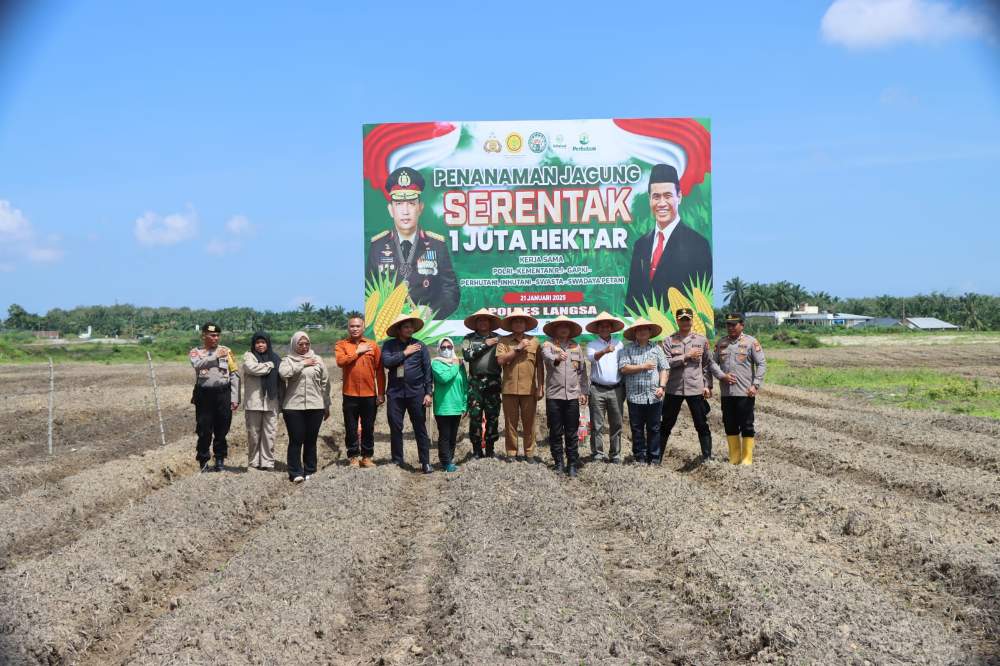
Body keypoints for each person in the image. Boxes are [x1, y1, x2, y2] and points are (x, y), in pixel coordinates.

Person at [366, 166, 460, 318]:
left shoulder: (437, 245)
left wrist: (432, 311)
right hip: (390, 327)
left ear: (420, 208)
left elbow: (451, 292)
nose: (405, 211)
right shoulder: (377, 246)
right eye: (399, 204)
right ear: (390, 210)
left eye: (411, 203)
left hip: (426, 327)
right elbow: (368, 291)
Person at [625, 164, 712, 314]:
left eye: (668, 196)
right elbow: (632, 301)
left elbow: (704, 297)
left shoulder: (698, 244)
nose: (661, 203)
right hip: (644, 333)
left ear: (679, 197)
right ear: (649, 199)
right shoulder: (640, 245)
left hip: (680, 331)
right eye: (656, 197)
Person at [661, 308, 725, 463]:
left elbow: (706, 364)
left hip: (695, 388)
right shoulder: (668, 341)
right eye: (682, 319)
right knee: (666, 424)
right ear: (677, 320)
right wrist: (686, 356)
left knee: (701, 423)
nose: (685, 322)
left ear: (691, 320)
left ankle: (707, 457)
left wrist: (707, 385)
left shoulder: (701, 341)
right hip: (674, 389)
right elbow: (665, 363)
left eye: (687, 319)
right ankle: (656, 457)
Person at [380, 312, 434, 474]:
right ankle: (397, 460)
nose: (409, 329)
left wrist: (428, 393)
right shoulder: (389, 346)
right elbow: (387, 362)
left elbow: (427, 371)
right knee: (395, 426)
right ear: (399, 329)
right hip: (395, 393)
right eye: (406, 327)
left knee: (420, 427)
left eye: (411, 327)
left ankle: (425, 462)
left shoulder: (420, 346)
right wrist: (405, 353)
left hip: (416, 393)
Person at [714, 313, 767, 466]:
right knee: (729, 423)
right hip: (726, 393)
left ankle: (747, 458)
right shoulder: (721, 343)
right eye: (728, 325)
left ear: (742, 325)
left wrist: (755, 385)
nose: (730, 327)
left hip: (745, 392)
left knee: (747, 424)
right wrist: (722, 376)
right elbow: (712, 364)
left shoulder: (751, 342)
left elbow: (762, 364)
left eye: (734, 324)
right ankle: (734, 457)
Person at [279, 331, 331, 483]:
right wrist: (302, 364)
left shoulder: (318, 359)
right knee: (296, 439)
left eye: (306, 344)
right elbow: (283, 374)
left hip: (315, 405)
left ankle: (310, 470)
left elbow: (325, 383)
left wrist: (326, 404)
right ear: (294, 345)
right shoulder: (288, 360)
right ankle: (295, 472)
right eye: (300, 344)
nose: (304, 347)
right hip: (293, 406)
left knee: (311, 440)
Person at [540, 316, 589, 478]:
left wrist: (583, 391)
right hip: (554, 395)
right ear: (554, 329)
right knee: (555, 431)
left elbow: (582, 372)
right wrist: (557, 357)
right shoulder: (548, 345)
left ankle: (572, 464)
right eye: (560, 326)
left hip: (573, 396)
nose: (563, 329)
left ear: (570, 330)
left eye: (566, 327)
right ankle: (558, 463)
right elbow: (546, 357)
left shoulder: (576, 347)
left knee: (572, 432)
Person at [335, 315, 385, 468]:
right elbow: (340, 362)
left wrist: (381, 392)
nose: (355, 329)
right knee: (350, 427)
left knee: (368, 427)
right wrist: (357, 351)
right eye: (352, 326)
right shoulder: (341, 345)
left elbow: (380, 371)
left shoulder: (373, 345)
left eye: (358, 326)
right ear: (348, 328)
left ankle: (367, 456)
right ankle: (353, 456)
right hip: (350, 394)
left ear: (363, 328)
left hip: (369, 394)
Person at [189, 323, 240, 472]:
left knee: (222, 428)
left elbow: (234, 374)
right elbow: (197, 365)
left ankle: (219, 459)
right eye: (212, 335)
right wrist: (214, 357)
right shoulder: (196, 352)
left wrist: (235, 397)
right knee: (204, 430)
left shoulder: (226, 351)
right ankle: (203, 460)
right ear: (204, 335)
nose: (215, 338)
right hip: (204, 395)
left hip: (223, 394)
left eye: (217, 335)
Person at [618, 318, 669, 464]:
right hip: (634, 397)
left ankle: (654, 457)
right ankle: (639, 456)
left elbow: (664, 368)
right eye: (639, 329)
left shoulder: (656, 349)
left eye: (645, 329)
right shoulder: (627, 349)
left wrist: (662, 386)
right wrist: (643, 366)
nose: (642, 332)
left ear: (650, 332)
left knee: (654, 428)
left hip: (654, 395)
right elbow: (624, 368)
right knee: (637, 428)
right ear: (635, 332)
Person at [496, 308, 544, 462]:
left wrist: (541, 387)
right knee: (510, 423)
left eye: (521, 321)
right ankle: (511, 452)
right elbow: (501, 360)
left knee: (529, 423)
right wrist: (517, 349)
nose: (518, 323)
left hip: (529, 390)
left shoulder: (535, 341)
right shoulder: (503, 342)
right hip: (509, 389)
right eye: (515, 321)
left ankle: (529, 453)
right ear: (510, 324)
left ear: (526, 324)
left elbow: (540, 367)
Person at [461, 308, 503, 458]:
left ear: (490, 323)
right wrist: (486, 344)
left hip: (494, 382)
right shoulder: (468, 338)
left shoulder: (499, 338)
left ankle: (490, 449)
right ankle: (477, 450)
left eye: (486, 320)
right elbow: (467, 356)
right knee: (475, 417)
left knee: (493, 416)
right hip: (475, 383)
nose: (483, 322)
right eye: (480, 320)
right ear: (476, 323)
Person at [585, 311, 626, 464]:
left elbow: (623, 364)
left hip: (616, 388)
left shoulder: (619, 344)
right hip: (597, 389)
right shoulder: (591, 345)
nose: (604, 328)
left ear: (611, 328)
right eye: (601, 326)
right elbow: (592, 358)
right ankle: (597, 454)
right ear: (597, 329)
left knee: (616, 423)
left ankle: (615, 454)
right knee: (597, 424)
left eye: (607, 326)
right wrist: (603, 351)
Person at [241, 332, 282, 470]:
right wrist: (270, 365)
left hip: (271, 402)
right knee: (253, 434)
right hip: (254, 403)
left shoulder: (276, 357)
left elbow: (282, 377)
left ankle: (267, 463)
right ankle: (253, 463)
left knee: (269, 434)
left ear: (268, 343)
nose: (260, 345)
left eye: (263, 342)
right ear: (253, 344)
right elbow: (253, 368)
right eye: (257, 342)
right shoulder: (249, 356)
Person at [431, 337, 468, 472]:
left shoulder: (459, 364)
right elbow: (443, 378)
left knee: (453, 435)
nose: (447, 350)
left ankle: (450, 459)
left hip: (457, 406)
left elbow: (464, 385)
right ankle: (445, 461)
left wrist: (465, 405)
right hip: (443, 406)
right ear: (439, 349)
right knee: (445, 435)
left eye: (449, 347)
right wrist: (455, 365)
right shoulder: (436, 363)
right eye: (443, 347)